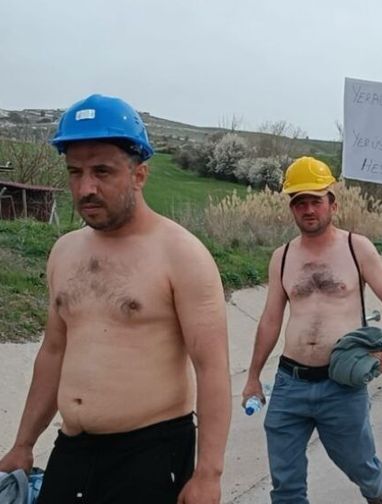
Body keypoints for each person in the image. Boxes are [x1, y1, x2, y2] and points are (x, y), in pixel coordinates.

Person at [0, 94, 232, 504]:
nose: (86, 187)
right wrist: (23, 443)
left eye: (102, 171)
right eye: (75, 172)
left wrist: (208, 474)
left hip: (151, 454)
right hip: (72, 450)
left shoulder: (181, 253)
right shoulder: (64, 252)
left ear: (139, 174)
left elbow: (211, 368)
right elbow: (53, 353)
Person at [241, 157, 382, 504]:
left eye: (316, 200)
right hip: (290, 383)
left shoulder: (356, 247)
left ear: (333, 202)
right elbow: (271, 318)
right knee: (285, 484)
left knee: (360, 465)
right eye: (300, 202)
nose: (308, 209)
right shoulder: (282, 257)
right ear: (292, 208)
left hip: (341, 383)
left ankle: (379, 495)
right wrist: (253, 376)